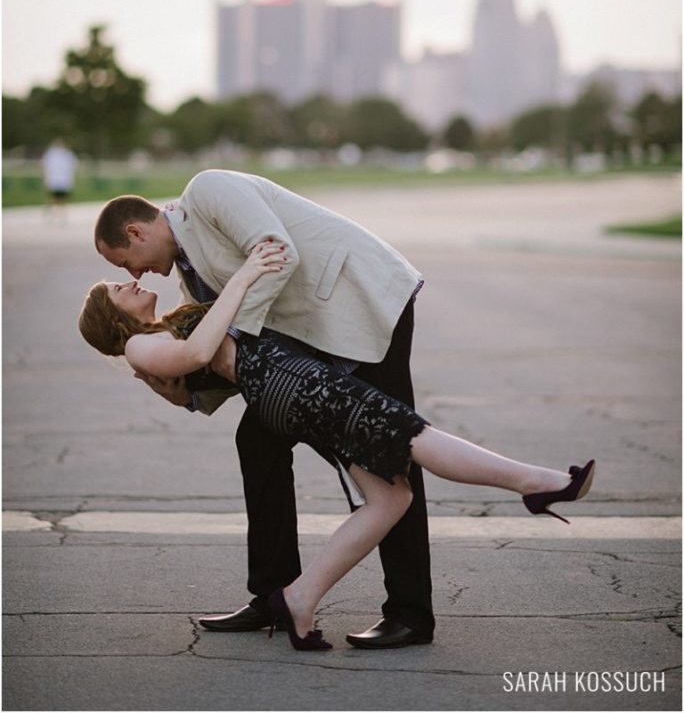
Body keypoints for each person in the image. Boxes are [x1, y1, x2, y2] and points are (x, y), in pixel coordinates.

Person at [78, 242, 596, 652]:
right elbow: (199, 350)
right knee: (413, 435)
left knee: (393, 498)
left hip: (288, 388)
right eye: (116, 288)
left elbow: (200, 361)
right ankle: (541, 482)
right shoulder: (138, 345)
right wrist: (245, 274)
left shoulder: (156, 335)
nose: (131, 281)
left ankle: (298, 599)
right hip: (295, 386)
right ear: (113, 319)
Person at [93, 169, 434, 648]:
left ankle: (411, 613)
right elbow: (230, 351)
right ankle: (272, 596)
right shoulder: (191, 277)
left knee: (391, 456)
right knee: (256, 440)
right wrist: (190, 396)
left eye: (126, 261)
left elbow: (278, 253)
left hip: (363, 306)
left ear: (135, 231)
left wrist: (227, 342)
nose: (134, 274)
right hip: (311, 341)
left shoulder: (208, 190)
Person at [41, 139, 78, 213]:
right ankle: (53, 210)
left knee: (61, 197)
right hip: (56, 179)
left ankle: (59, 211)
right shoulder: (52, 154)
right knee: (54, 196)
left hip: (61, 179)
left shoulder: (66, 154)